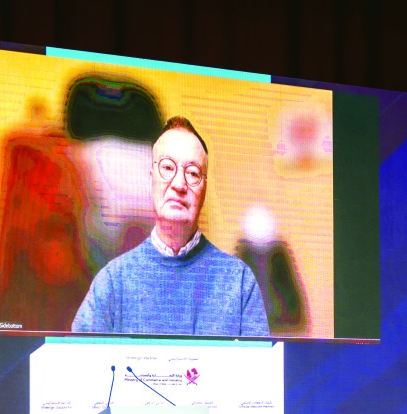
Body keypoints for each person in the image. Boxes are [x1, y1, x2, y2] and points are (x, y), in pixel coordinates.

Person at [72, 117, 270, 337]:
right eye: (167, 168)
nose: (179, 184)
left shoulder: (238, 282)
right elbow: (78, 356)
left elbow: (260, 358)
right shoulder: (112, 281)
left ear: (204, 188)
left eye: (193, 173)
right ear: (150, 179)